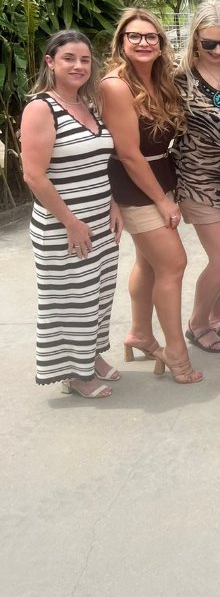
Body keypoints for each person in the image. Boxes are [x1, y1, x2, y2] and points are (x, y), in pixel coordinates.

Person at [100, 8, 202, 384]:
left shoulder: (159, 79)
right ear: (121, 43)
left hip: (159, 177)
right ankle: (176, 352)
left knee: (148, 262)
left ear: (160, 43)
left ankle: (140, 333)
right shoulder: (116, 86)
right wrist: (162, 200)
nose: (143, 42)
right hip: (136, 187)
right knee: (173, 263)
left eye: (150, 36)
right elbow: (128, 153)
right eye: (134, 36)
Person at [21, 31, 122, 397]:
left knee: (98, 295)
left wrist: (112, 205)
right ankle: (75, 375)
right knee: (71, 303)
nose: (78, 66)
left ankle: (90, 356)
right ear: (50, 62)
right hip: (64, 226)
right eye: (69, 58)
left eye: (84, 60)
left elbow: (99, 163)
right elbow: (34, 175)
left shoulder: (88, 104)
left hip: (98, 220)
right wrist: (71, 222)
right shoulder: (41, 109)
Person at [174, 0, 220, 353]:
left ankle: (216, 317)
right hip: (199, 182)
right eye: (209, 44)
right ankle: (198, 323)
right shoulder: (178, 78)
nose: (218, 51)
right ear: (195, 40)